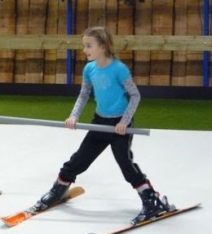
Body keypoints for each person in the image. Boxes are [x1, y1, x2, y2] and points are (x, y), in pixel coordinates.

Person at [34, 26, 172, 225]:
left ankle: (152, 200)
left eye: (89, 46)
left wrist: (124, 121)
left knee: (126, 164)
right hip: (100, 122)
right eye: (84, 46)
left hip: (119, 126)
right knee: (79, 159)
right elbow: (83, 95)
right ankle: (58, 190)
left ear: (103, 46)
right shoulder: (89, 69)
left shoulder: (119, 69)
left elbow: (135, 95)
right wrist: (73, 116)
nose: (85, 50)